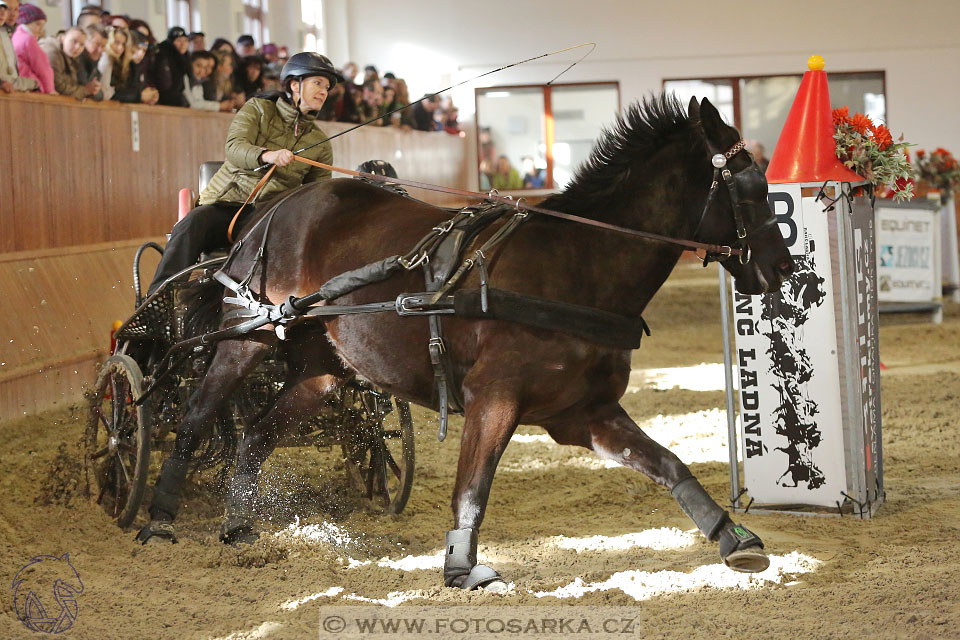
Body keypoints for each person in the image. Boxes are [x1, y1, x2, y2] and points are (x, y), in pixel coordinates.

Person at [146, 52, 342, 295]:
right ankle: (157, 300)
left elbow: (316, 194)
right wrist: (266, 155)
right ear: (295, 84)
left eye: (326, 87)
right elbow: (234, 148)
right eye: (318, 83)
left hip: (273, 218)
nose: (324, 91)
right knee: (192, 224)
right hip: (229, 206)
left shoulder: (321, 143)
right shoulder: (258, 109)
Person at [40, 26, 99, 99]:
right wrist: (85, 90)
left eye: (81, 45)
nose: (77, 47)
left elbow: (72, 83)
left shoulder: (71, 55)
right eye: (74, 41)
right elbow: (58, 87)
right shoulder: (52, 53)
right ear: (62, 38)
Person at [11, 2, 53, 93]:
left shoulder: (15, 36)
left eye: (43, 26)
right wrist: (50, 91)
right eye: (38, 24)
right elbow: (42, 68)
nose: (41, 30)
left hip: (22, 86)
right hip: (33, 87)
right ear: (26, 22)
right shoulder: (28, 39)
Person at [0, 0, 38, 93]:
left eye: (16, 10)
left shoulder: (7, 34)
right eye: (8, 9)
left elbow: (12, 76)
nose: (12, 14)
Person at [149, 26, 189, 106]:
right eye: (178, 40)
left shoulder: (185, 59)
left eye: (185, 40)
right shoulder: (163, 56)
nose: (183, 44)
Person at [95, 25, 128, 100]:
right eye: (116, 42)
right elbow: (104, 88)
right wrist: (112, 91)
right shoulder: (106, 58)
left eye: (123, 44)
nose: (120, 48)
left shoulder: (117, 61)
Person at [74, 22, 106, 100]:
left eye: (103, 46)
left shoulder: (95, 68)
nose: (100, 50)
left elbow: (100, 95)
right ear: (85, 41)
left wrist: (94, 90)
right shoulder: (75, 61)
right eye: (96, 44)